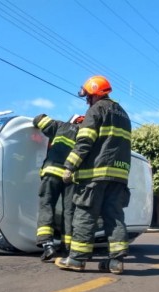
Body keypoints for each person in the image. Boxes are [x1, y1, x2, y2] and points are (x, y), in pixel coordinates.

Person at [55, 75, 132, 274]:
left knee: (84, 214)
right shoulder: (123, 114)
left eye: (88, 96)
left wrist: (70, 166)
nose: (87, 100)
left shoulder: (96, 110)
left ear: (94, 93)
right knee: (114, 216)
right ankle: (116, 262)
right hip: (118, 176)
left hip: (95, 175)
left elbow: (84, 142)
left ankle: (77, 259)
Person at [32, 113, 83, 261]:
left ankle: (47, 245)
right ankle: (67, 248)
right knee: (69, 212)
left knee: (46, 205)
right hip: (71, 177)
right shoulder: (84, 136)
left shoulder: (60, 126)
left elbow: (38, 119)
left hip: (51, 172)